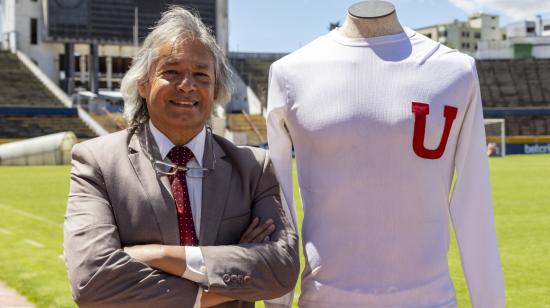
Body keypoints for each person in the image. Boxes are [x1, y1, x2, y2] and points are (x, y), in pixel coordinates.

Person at [267, 1, 505, 307]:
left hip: (430, 300)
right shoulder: (290, 73)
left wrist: (490, 301)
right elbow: (279, 203)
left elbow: (475, 199)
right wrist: (278, 300)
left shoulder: (455, 70)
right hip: (325, 299)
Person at [63, 6, 299, 308]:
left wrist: (162, 257)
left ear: (215, 91)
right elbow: (92, 282)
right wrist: (226, 275)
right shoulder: (97, 162)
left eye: (201, 75)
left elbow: (281, 270)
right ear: (143, 84)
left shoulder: (254, 167)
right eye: (171, 72)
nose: (187, 85)